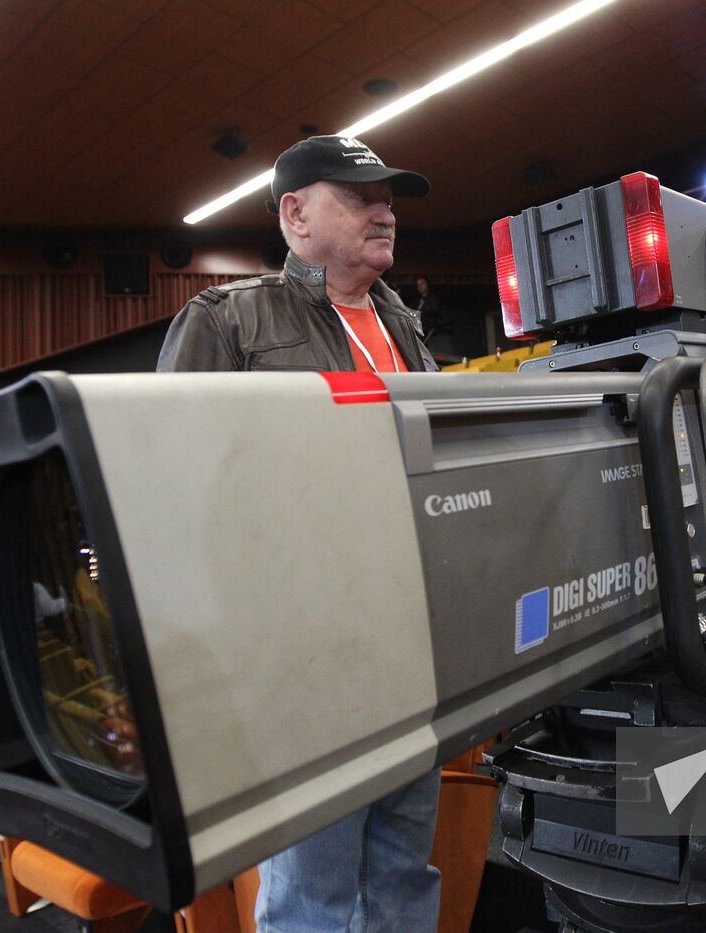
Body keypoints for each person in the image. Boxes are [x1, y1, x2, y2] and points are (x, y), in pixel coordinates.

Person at [158, 134, 441, 932]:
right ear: (294, 212)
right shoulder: (228, 319)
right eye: (359, 197)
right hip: (304, 658)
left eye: (388, 198)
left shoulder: (408, 329)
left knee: (402, 877)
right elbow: (174, 498)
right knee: (312, 894)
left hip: (409, 649)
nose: (384, 211)